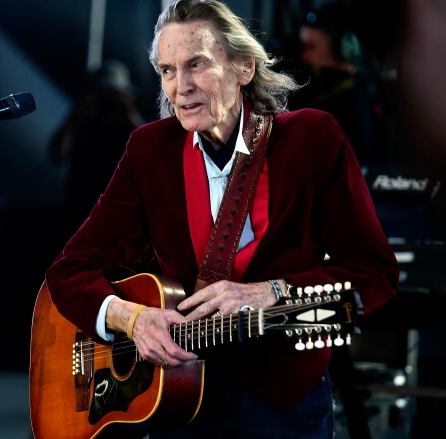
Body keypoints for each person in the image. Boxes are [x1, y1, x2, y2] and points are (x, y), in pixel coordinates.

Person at [45, 1, 398, 437]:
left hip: (282, 404)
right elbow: (68, 272)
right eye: (168, 71)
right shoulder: (150, 151)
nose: (181, 87)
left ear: (244, 68)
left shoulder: (311, 138)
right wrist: (132, 319)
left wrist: (272, 293)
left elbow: (375, 273)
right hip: (179, 403)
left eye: (197, 64)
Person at [49, 59, 144, 235]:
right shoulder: (83, 123)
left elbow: (151, 156)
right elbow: (56, 155)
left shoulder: (129, 130)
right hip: (80, 212)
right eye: (103, 95)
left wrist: (129, 113)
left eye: (112, 95)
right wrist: (74, 116)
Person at [290, 0, 380, 165]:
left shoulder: (357, 100)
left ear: (341, 48)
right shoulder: (304, 89)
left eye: (311, 47)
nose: (304, 56)